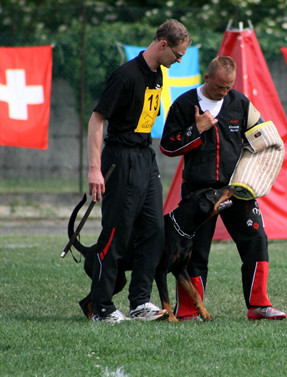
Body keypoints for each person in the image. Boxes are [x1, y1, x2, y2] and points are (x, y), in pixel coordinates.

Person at [160, 56, 287, 321]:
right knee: (193, 252)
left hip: (236, 190)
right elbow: (168, 146)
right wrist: (197, 129)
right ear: (207, 79)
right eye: (219, 87)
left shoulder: (240, 103)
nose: (224, 92)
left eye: (228, 87)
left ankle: (259, 306)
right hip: (199, 194)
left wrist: (255, 173)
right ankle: (188, 312)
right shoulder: (184, 104)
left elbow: (264, 137)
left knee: (257, 239)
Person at [87, 19, 191, 323]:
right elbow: (96, 120)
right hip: (121, 158)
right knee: (117, 232)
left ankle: (140, 302)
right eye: (178, 53)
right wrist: (95, 168)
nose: (180, 60)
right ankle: (102, 306)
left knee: (154, 232)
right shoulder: (125, 76)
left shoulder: (159, 74)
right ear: (162, 44)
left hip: (145, 159)